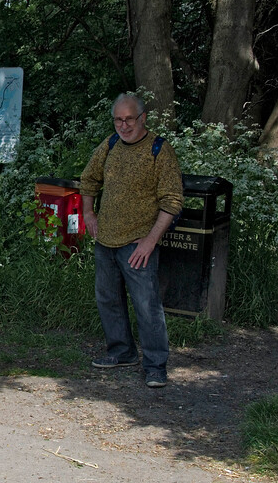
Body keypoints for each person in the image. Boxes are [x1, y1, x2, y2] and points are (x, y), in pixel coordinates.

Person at [80, 94, 183, 388]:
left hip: (139, 245)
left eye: (129, 119)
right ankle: (122, 352)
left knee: (147, 305)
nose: (123, 126)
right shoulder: (110, 145)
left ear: (143, 118)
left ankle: (155, 366)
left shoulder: (158, 150)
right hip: (106, 240)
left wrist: (151, 240)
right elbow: (88, 179)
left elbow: (173, 200)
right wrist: (89, 212)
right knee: (108, 299)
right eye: (118, 120)